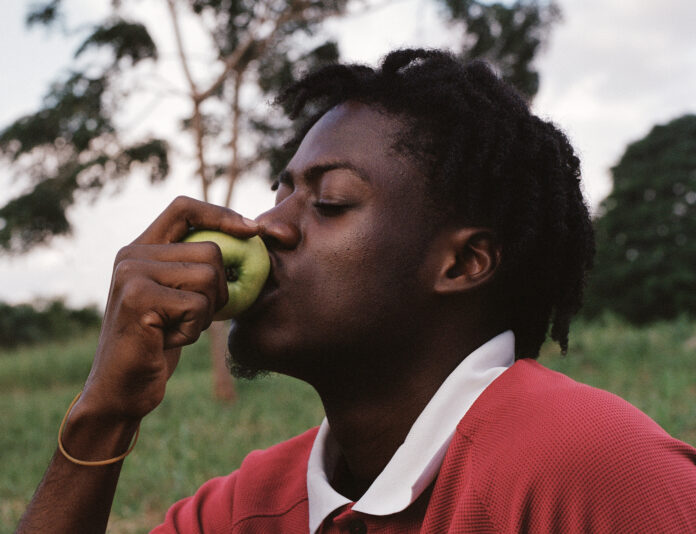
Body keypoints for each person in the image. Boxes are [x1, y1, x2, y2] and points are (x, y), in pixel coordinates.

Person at [17, 49, 696, 533]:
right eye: (280, 192)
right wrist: (104, 411)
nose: (267, 227)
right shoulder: (250, 507)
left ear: (463, 264)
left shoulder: (590, 471)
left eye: (331, 201)